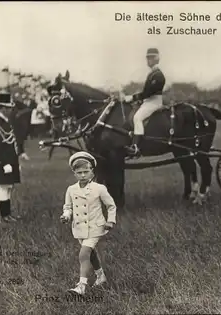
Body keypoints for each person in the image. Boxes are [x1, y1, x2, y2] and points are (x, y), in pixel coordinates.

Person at [60, 151, 117, 295]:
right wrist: (66, 216)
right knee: (90, 253)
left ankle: (81, 286)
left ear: (92, 171)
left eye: (86, 171)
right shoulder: (71, 190)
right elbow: (68, 206)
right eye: (79, 172)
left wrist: (110, 220)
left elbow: (111, 206)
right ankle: (100, 276)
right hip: (79, 228)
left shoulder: (99, 188)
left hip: (95, 227)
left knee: (83, 254)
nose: (83, 175)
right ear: (74, 173)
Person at [0, 92, 30, 223]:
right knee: (3, 187)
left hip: (11, 160)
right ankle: (4, 215)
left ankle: (8, 214)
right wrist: (4, 163)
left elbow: (13, 144)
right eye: (7, 108)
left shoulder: (8, 123)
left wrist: (16, 160)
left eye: (10, 108)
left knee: (9, 187)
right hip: (3, 162)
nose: (10, 110)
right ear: (1, 108)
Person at [125, 47, 166, 156]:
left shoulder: (158, 75)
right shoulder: (152, 73)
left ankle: (136, 147)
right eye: (148, 58)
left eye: (151, 58)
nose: (149, 60)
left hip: (154, 102)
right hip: (148, 101)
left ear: (157, 59)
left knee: (137, 118)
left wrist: (132, 98)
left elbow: (148, 93)